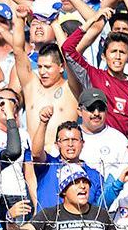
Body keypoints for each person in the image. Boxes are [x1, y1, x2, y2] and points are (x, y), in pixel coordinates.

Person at [62, 8, 128, 135]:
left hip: (122, 148)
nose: (117, 57)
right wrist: (91, 21)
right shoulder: (93, 76)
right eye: (113, 52)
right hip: (95, 143)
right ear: (103, 56)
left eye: (122, 52)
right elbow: (67, 49)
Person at [11, 8, 78, 156]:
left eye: (47, 67)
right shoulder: (32, 86)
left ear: (61, 67)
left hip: (62, 158)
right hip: (31, 158)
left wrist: (54, 23)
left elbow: (70, 56)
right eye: (40, 67)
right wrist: (20, 21)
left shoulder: (71, 88)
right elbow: (17, 50)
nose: (42, 72)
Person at [77, 88, 128, 180]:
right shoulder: (70, 137)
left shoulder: (118, 139)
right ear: (79, 111)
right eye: (91, 108)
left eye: (101, 108)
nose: (96, 113)